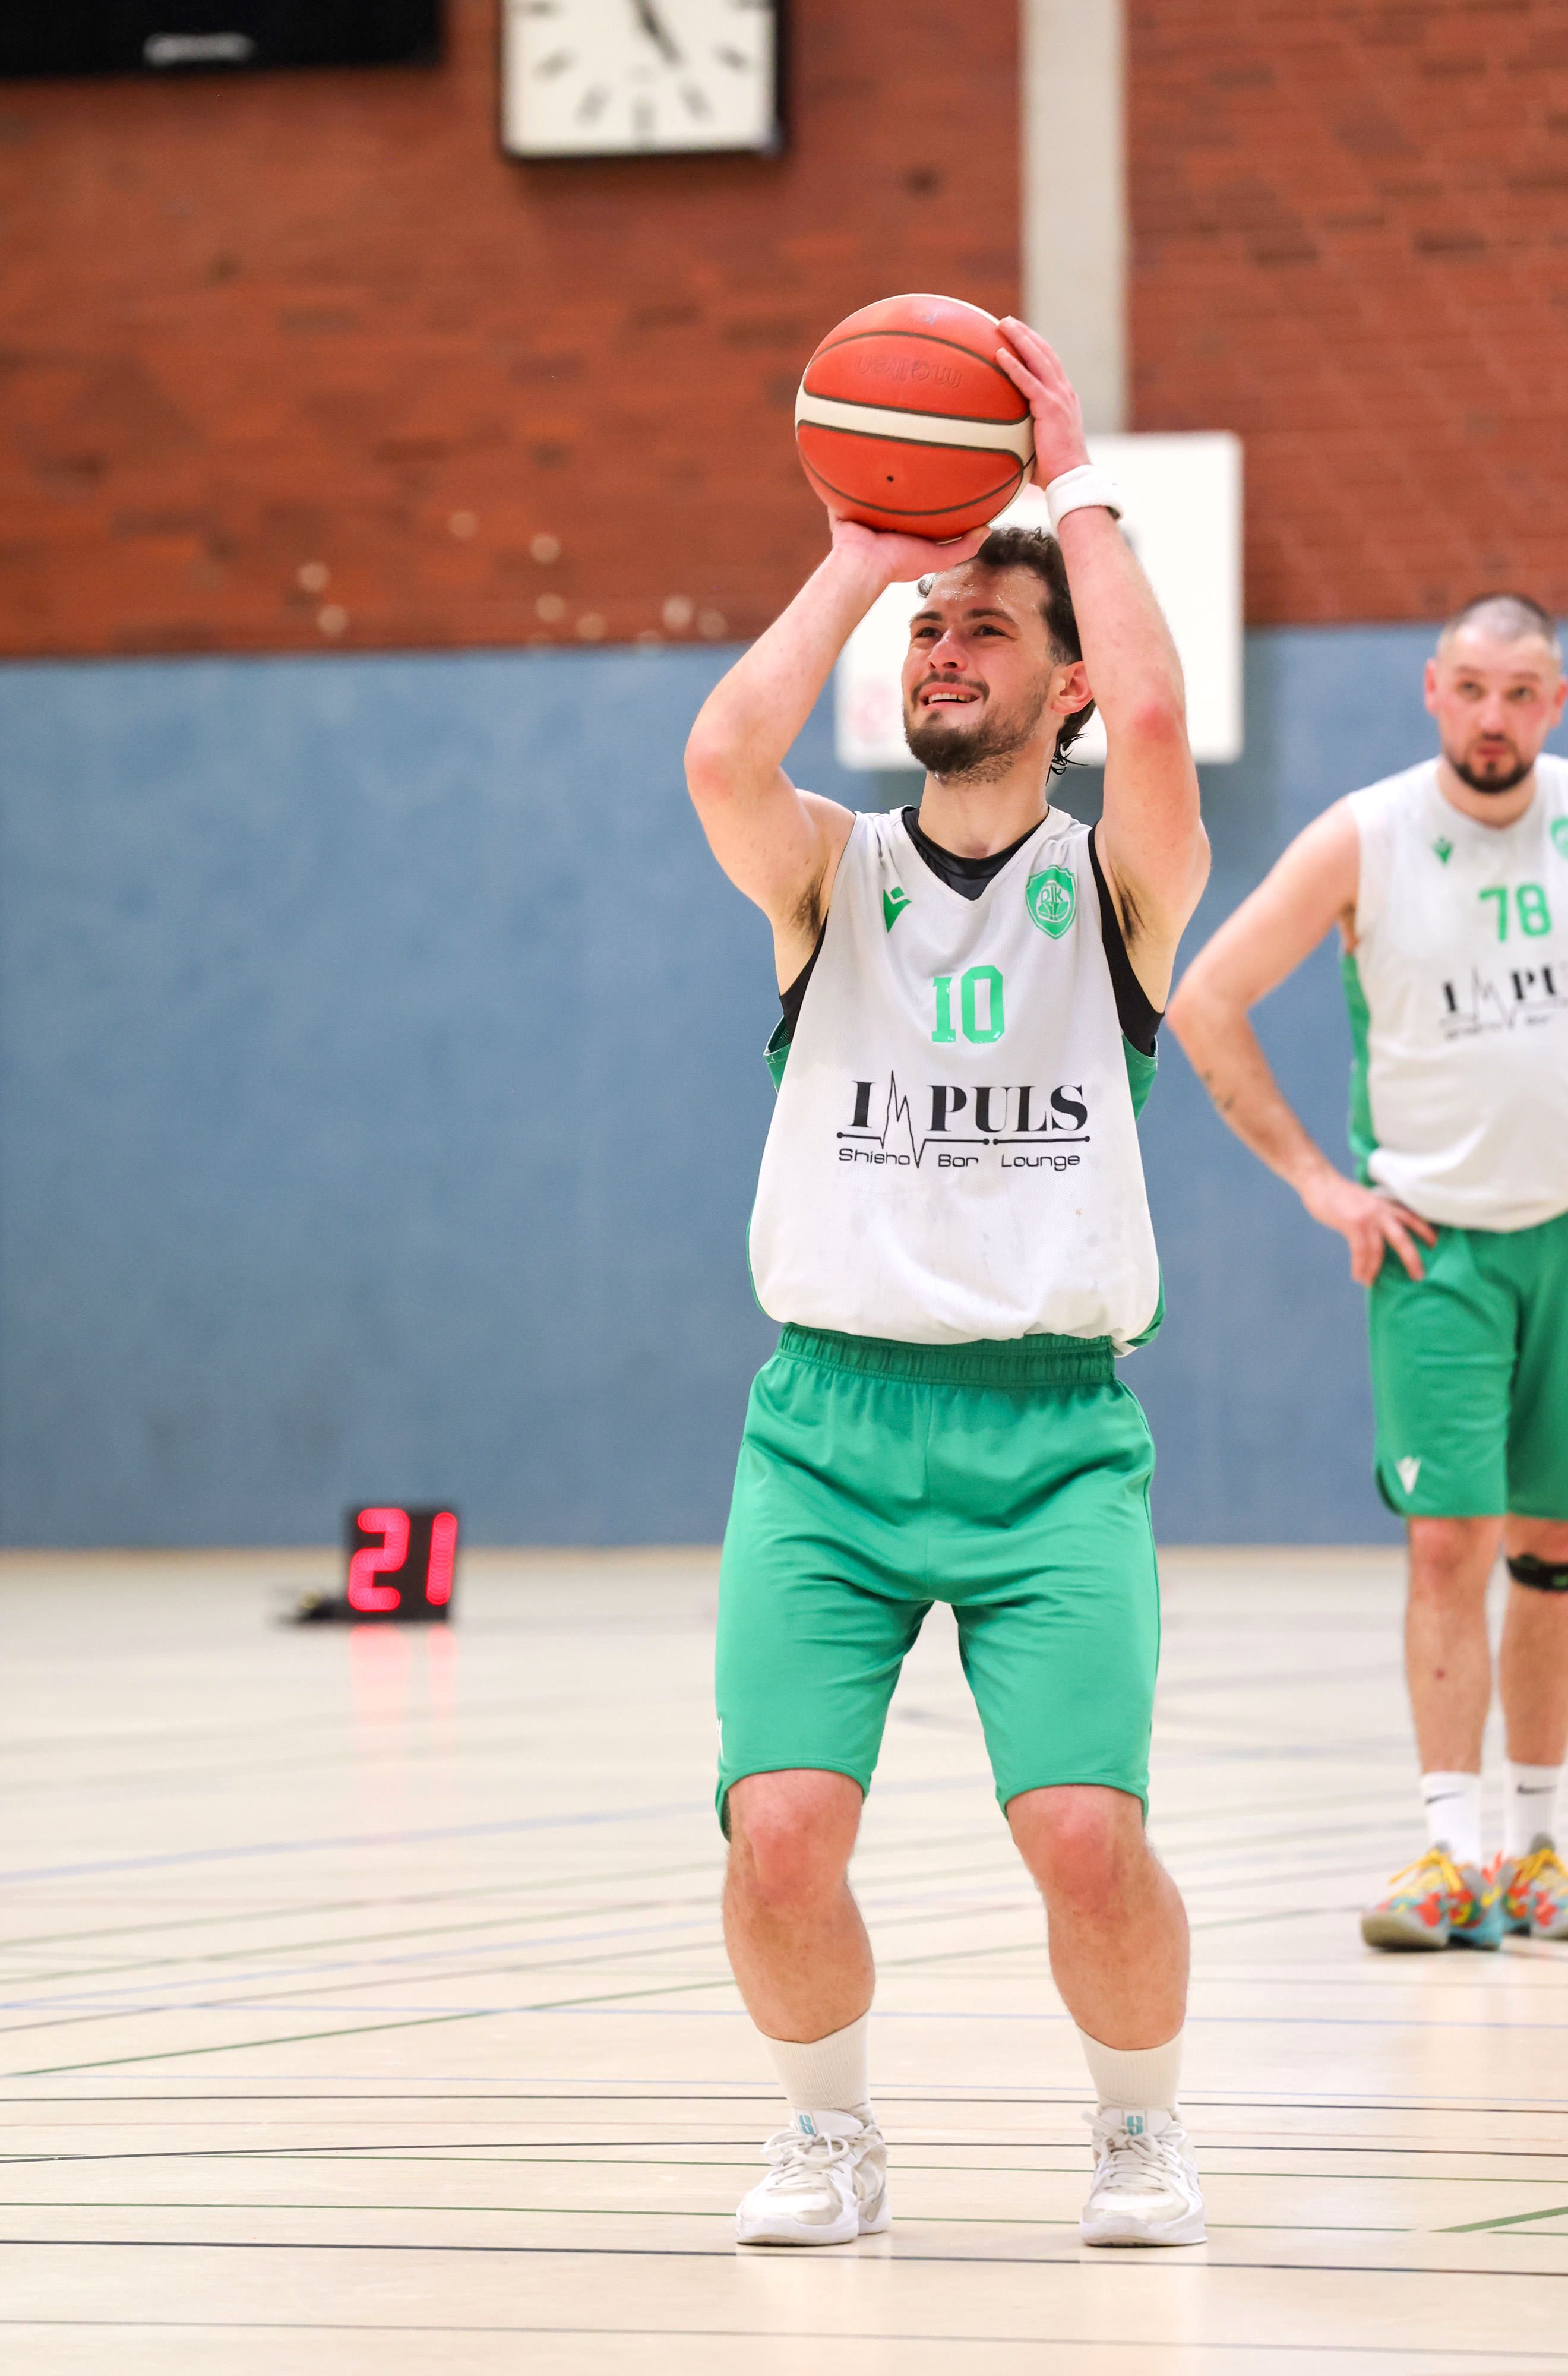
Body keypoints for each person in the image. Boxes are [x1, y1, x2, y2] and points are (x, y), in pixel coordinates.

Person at [683, 318, 1212, 2249]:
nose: (942, 650)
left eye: (986, 629)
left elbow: (1160, 726)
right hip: (826, 1425)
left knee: (1084, 1838)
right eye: (930, 631)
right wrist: (861, 555)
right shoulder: (829, 875)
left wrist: (1070, 479)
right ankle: (830, 2135)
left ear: (1066, 688)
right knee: (779, 1835)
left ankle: (1140, 2131)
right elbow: (723, 751)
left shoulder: (1119, 888)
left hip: (1049, 1433)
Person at [1168, 595, 1568, 1952]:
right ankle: (1456, 1851)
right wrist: (1319, 1181)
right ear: (1432, 688)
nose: (1496, 716)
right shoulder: (1369, 835)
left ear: (1554, 703)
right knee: (1450, 1537)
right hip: (1436, 1246)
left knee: (1556, 1545)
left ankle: (1541, 1848)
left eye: (1522, 692)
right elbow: (1205, 998)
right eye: (1474, 688)